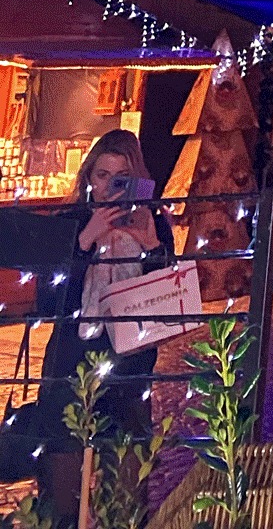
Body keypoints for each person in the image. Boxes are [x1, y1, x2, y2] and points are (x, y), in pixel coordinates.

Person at [34, 130, 174, 525]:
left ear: (137, 182)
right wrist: (83, 242)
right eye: (101, 175)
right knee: (62, 486)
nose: (109, 187)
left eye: (121, 178)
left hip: (128, 365)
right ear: (88, 179)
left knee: (127, 490)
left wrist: (151, 248)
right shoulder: (70, 222)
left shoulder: (152, 222)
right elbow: (48, 304)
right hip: (71, 363)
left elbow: (166, 306)